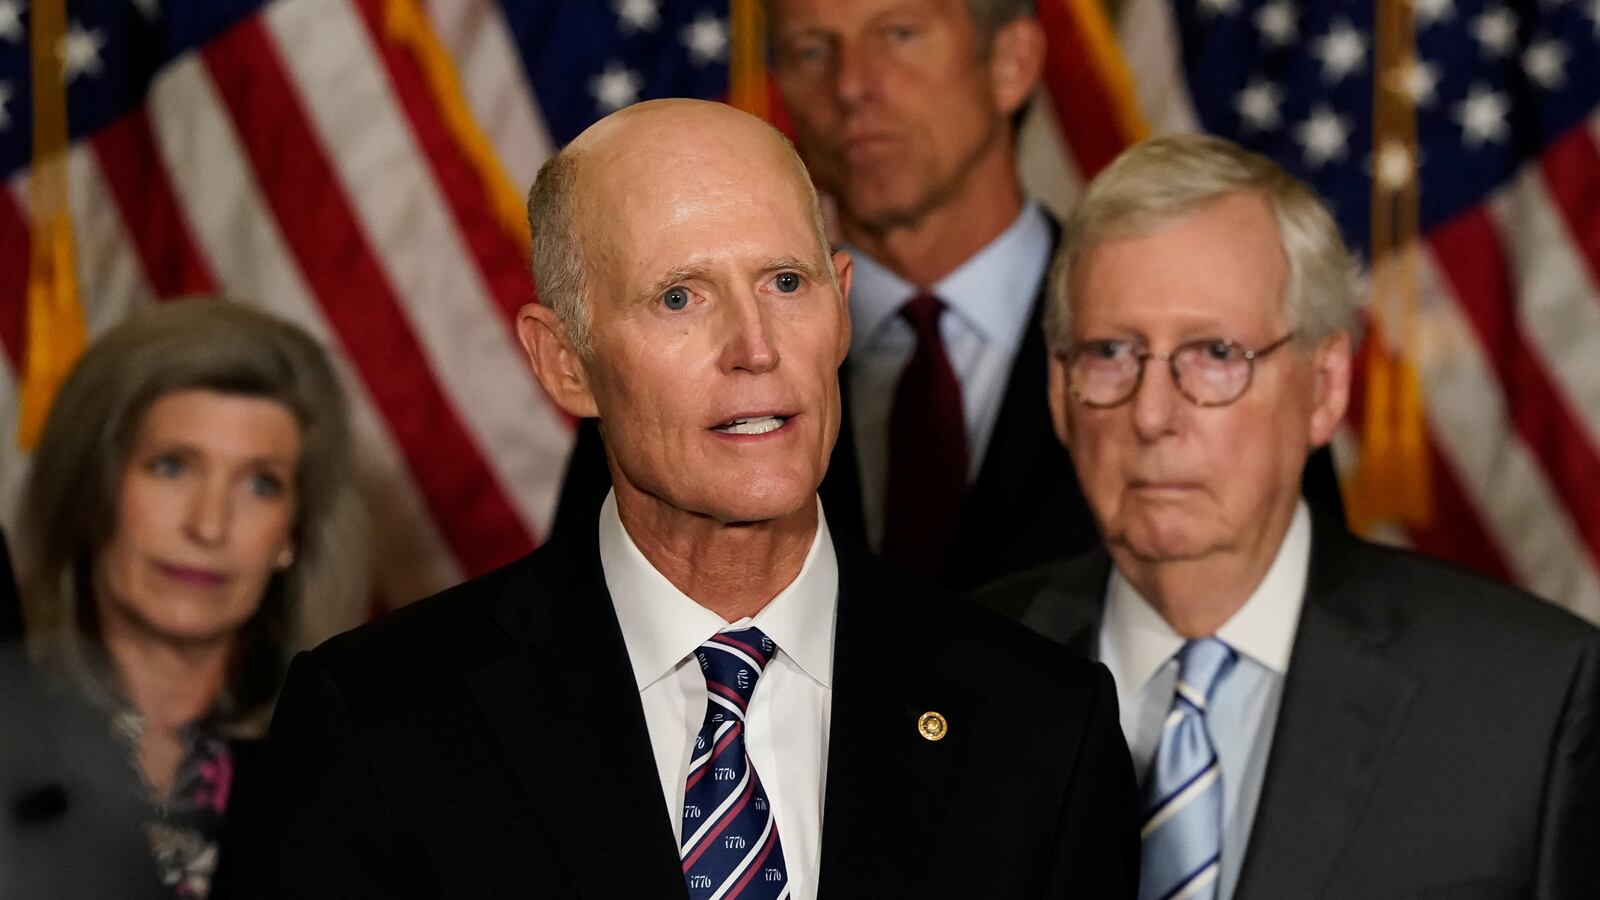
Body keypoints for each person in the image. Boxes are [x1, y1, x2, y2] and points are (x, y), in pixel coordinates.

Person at [255, 99, 1138, 899]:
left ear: (842, 310)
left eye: (787, 284)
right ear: (564, 362)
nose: (754, 348)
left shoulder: (1041, 727)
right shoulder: (378, 724)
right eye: (680, 297)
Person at [978, 134, 1600, 898]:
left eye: (1213, 353)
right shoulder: (950, 676)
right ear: (1058, 391)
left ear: (1327, 387)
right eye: (1111, 351)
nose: (1153, 413)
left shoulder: (1524, 704)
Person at [13, 299, 368, 898]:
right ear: (92, 492)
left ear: (292, 535)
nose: (210, 525)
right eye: (172, 466)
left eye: (261, 484)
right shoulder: (13, 727)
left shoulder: (350, 766)